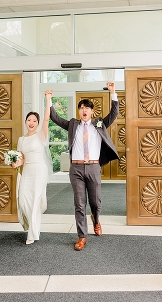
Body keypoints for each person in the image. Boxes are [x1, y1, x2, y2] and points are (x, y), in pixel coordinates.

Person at [48, 82, 119, 251]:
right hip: (77, 169)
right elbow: (55, 118)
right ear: (79, 111)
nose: (84, 110)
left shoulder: (99, 124)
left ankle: (96, 219)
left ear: (92, 111)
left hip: (94, 167)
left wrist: (113, 92)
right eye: (81, 108)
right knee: (79, 203)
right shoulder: (73, 124)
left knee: (95, 201)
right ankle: (82, 237)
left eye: (87, 108)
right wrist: (49, 100)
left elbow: (114, 114)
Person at [11, 96, 53, 245]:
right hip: (27, 171)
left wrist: (48, 100)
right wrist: (15, 164)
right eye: (29, 120)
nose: (31, 123)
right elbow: (21, 159)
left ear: (38, 123)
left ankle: (32, 234)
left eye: (35, 121)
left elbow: (47, 119)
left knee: (35, 200)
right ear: (25, 122)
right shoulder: (21, 140)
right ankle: (32, 226)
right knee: (23, 200)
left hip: (39, 170)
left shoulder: (41, 135)